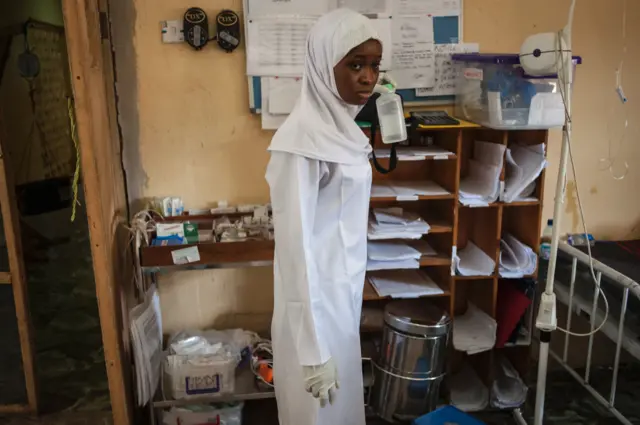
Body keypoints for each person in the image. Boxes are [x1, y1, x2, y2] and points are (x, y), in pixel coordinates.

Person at [265, 8, 383, 425]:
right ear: (322, 65)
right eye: (355, 65)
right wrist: (313, 351)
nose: (368, 77)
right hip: (311, 315)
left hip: (341, 304)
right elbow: (295, 252)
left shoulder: (345, 134)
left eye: (373, 65)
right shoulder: (299, 143)